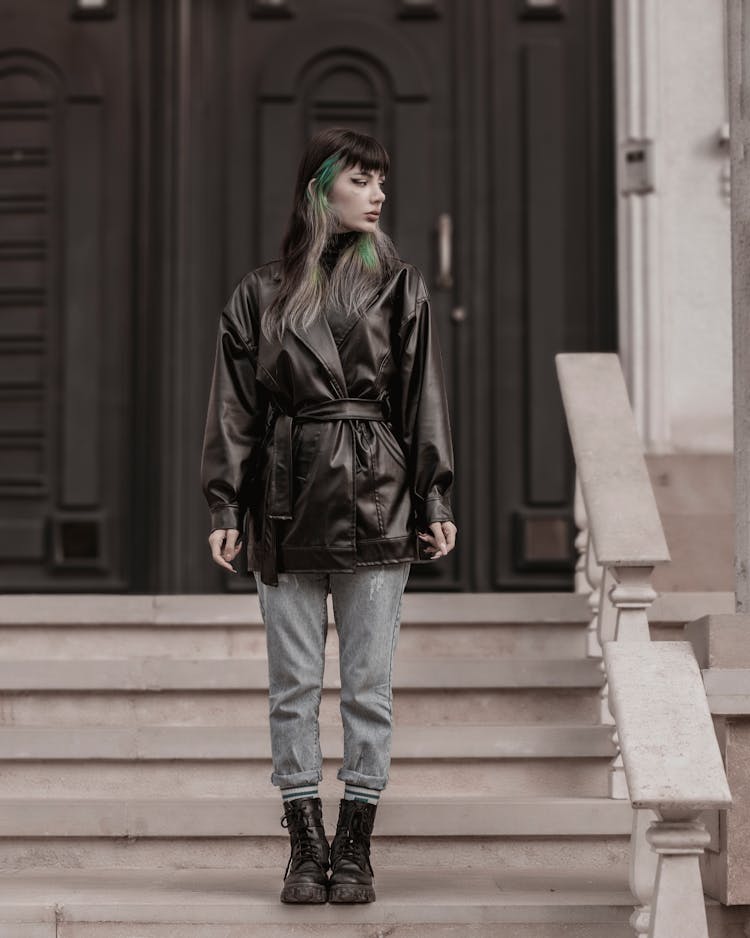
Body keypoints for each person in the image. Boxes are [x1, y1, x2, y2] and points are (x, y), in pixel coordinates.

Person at [200, 127, 457, 905]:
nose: (379, 192)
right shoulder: (259, 291)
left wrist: (435, 493)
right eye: (362, 179)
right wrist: (225, 501)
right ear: (321, 189)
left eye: (383, 179)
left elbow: (421, 396)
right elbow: (236, 407)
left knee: (369, 687)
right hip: (282, 502)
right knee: (292, 685)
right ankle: (304, 845)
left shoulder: (400, 284)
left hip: (378, 494)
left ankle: (356, 847)